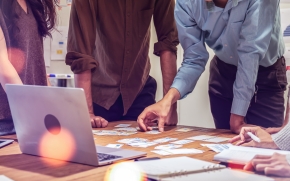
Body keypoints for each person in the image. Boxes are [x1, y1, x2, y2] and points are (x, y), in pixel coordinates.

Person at [138, 0, 287, 133]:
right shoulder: (187, 3)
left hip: (265, 76)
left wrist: (237, 117)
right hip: (223, 72)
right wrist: (167, 101)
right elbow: (194, 59)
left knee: (267, 151)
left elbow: (250, 55)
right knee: (227, 151)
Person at [66, 0, 179, 128]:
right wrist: (87, 113)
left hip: (139, 91)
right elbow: (81, 55)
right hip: (99, 97)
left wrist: (170, 106)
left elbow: (168, 43)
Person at [0, 0, 57, 135]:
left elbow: (38, 63)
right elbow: (2, 67)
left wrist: (54, 108)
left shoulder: (34, 5)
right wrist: (32, 112)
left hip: (31, 119)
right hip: (7, 123)